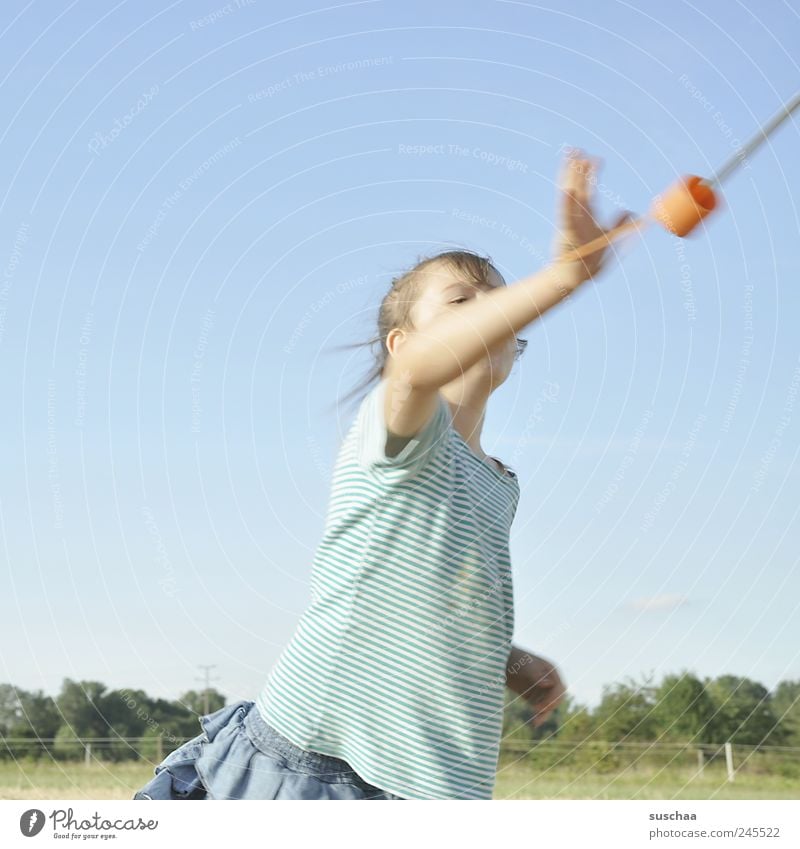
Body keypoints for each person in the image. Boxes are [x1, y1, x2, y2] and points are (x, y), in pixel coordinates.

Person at [132, 147, 629, 800]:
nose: (493, 308)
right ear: (403, 344)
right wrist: (564, 275)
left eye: (499, 300)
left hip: (429, 788)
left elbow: (430, 603)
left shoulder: (498, 481)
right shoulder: (399, 430)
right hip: (319, 768)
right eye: (463, 299)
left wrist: (507, 660)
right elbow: (420, 369)